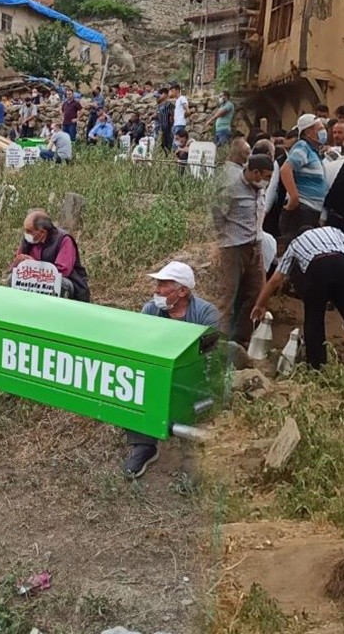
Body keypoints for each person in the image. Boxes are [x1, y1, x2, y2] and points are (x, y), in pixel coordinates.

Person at [124, 262, 221, 478]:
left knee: (199, 399)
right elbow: (139, 346)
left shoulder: (206, 314)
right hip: (158, 373)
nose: (156, 290)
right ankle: (144, 445)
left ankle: (191, 454)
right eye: (157, 284)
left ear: (183, 291)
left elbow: (209, 357)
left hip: (193, 378)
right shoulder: (151, 310)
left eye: (163, 285)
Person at [250, 226, 344, 371]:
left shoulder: (295, 244)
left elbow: (276, 279)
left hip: (317, 268)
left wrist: (260, 304)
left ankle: (317, 368)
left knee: (314, 319)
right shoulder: (332, 230)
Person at [213, 153, 271, 345]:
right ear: (255, 173)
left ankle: (240, 339)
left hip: (255, 246)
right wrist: (224, 235)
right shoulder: (231, 188)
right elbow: (217, 214)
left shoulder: (258, 188)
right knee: (227, 297)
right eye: (266, 176)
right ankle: (219, 343)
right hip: (232, 248)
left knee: (257, 293)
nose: (267, 181)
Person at [12, 209, 91, 302]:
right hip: (32, 279)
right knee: (12, 277)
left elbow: (63, 271)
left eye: (29, 231)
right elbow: (16, 265)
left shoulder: (64, 240)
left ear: (42, 232)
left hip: (61, 281)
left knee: (61, 283)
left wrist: (34, 265)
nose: (26, 233)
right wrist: (19, 262)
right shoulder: (28, 240)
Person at [278, 114, 329, 251]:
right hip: (301, 211)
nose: (323, 132)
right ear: (308, 132)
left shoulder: (314, 151)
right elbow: (285, 169)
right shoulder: (302, 147)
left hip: (311, 211)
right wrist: (294, 197)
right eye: (320, 128)